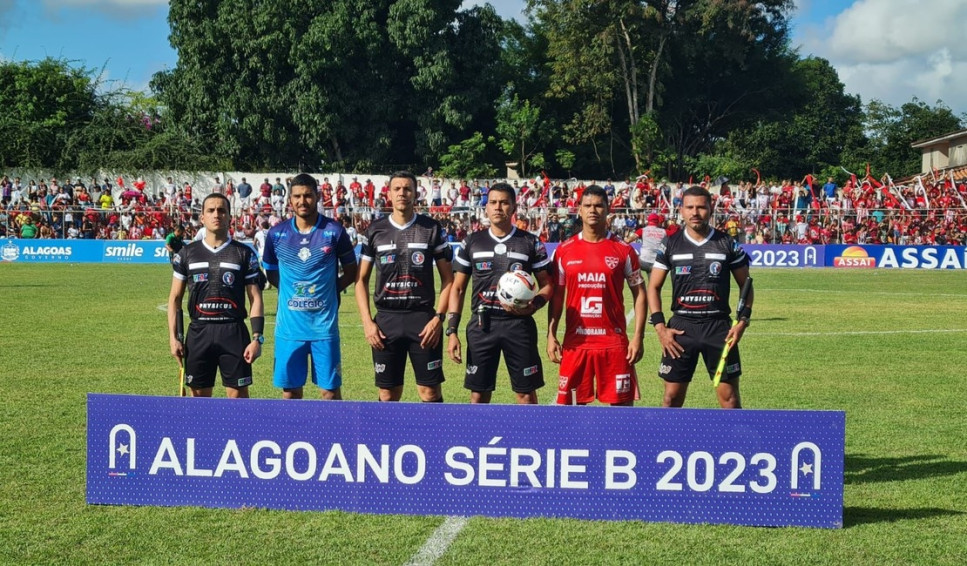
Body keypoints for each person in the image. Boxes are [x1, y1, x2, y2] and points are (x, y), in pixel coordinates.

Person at [646, 185, 753, 409]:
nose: (695, 212)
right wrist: (660, 328)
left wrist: (742, 322)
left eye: (701, 207)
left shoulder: (727, 243)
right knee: (671, 398)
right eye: (690, 207)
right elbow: (653, 286)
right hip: (681, 327)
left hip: (719, 328)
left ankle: (732, 444)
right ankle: (667, 443)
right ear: (681, 210)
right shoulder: (670, 243)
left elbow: (746, 284)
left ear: (711, 208)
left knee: (730, 399)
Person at [446, 182, 553, 404]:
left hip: (519, 326)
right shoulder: (472, 242)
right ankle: (476, 438)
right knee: (478, 394)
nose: (498, 207)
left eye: (504, 203)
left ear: (514, 207)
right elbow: (457, 288)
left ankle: (528, 439)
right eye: (493, 202)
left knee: (525, 393)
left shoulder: (530, 242)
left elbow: (548, 285)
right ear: (485, 207)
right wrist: (452, 330)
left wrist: (534, 306)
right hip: (482, 325)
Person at [355, 171, 454, 402]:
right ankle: (387, 439)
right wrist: (368, 323)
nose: (402, 193)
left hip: (422, 320)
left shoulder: (431, 228)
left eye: (407, 189)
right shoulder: (375, 230)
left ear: (415, 193)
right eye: (397, 189)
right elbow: (360, 280)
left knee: (429, 392)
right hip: (386, 320)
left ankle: (433, 439)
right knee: (388, 394)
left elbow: (448, 279)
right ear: (389, 194)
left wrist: (438, 318)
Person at [547, 185, 645, 406]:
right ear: (579, 210)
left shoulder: (624, 250)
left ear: (608, 209)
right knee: (570, 411)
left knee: (621, 415)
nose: (593, 210)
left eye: (599, 205)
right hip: (576, 343)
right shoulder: (563, 250)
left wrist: (638, 336)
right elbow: (557, 298)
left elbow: (640, 294)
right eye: (588, 205)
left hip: (613, 343)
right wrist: (551, 334)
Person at [262, 173, 357, 400]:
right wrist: (292, 292)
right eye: (297, 196)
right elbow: (271, 272)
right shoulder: (276, 234)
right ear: (290, 200)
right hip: (289, 329)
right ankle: (293, 436)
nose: (302, 201)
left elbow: (352, 271)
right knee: (291, 393)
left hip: (323, 328)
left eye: (307, 195)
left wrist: (330, 290)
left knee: (330, 393)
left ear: (317, 197)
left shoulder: (334, 231)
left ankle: (334, 436)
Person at [167, 193, 264, 398]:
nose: (216, 214)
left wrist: (257, 339)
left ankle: (237, 432)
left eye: (222, 210)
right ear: (202, 217)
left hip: (233, 331)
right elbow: (175, 299)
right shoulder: (187, 253)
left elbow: (255, 298)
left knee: (238, 400)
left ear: (230, 217)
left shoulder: (244, 253)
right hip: (199, 331)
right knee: (199, 399)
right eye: (211, 210)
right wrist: (174, 338)